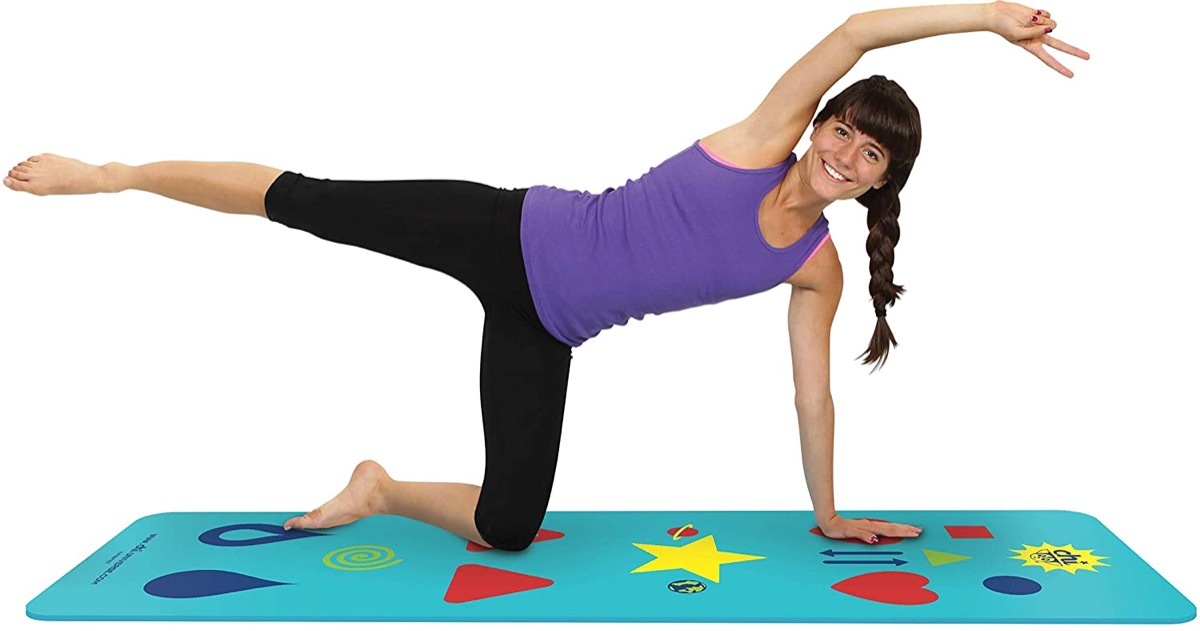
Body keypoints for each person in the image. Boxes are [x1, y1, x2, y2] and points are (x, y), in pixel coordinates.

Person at [4, 1, 1087, 551]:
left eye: (867, 158)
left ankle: (380, 487)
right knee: (311, 199)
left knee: (510, 527)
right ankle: (116, 174)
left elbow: (812, 396)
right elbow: (853, 30)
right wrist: (984, 19)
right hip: (505, 228)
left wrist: (833, 511)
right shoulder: (766, 136)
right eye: (843, 131)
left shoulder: (814, 267)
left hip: (548, 326)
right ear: (824, 126)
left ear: (877, 182)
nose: (841, 154)